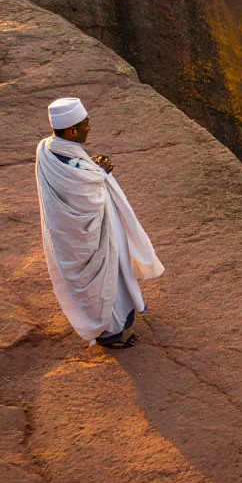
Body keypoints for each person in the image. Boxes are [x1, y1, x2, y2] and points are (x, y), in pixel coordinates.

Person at [35, 98, 163, 349]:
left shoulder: (46, 149)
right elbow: (86, 196)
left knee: (107, 278)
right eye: (85, 124)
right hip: (91, 237)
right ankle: (110, 333)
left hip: (74, 236)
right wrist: (100, 172)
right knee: (107, 279)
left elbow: (78, 179)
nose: (89, 129)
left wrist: (94, 169)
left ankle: (113, 324)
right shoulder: (70, 164)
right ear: (72, 131)